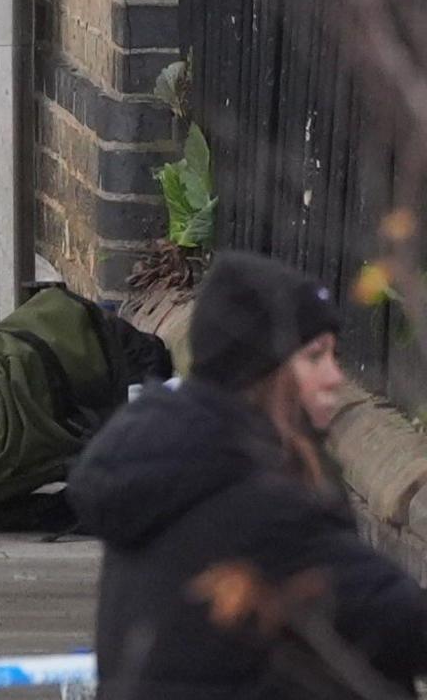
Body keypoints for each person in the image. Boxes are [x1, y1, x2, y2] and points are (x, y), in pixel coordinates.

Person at [69, 253, 427, 700]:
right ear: (265, 371)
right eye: (315, 357)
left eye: (336, 356)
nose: (335, 377)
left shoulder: (171, 459)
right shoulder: (254, 495)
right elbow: (397, 619)